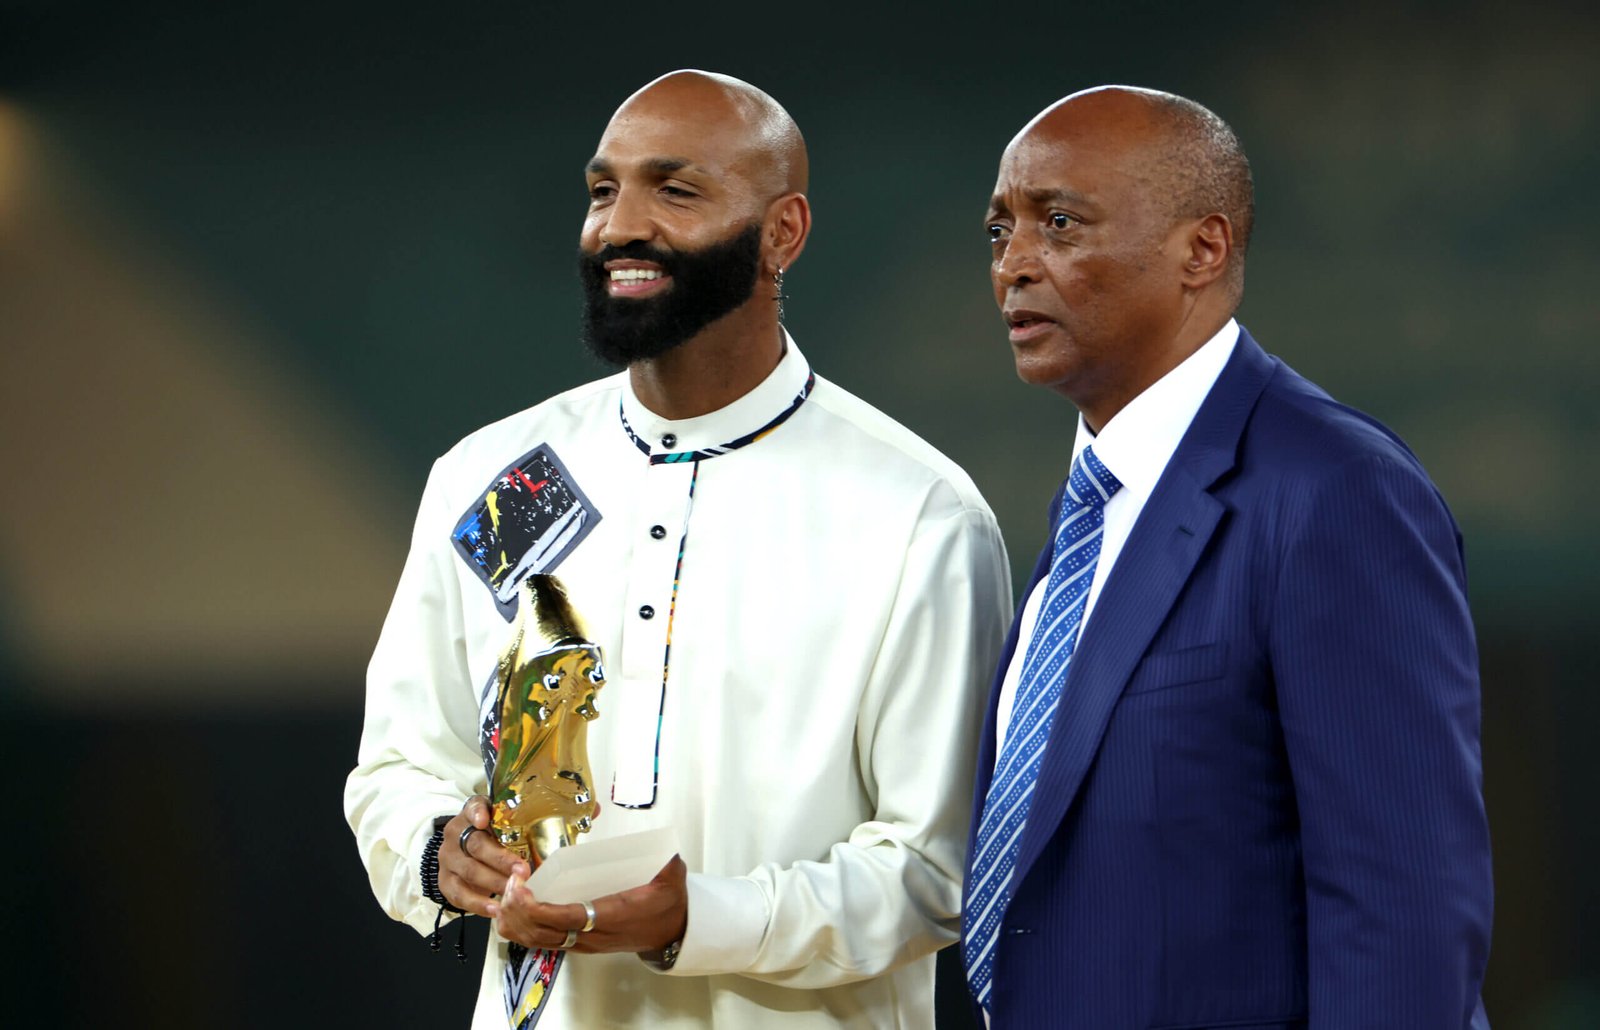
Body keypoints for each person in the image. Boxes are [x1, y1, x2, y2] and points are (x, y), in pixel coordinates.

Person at [345, 69, 1011, 1030]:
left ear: (784, 232)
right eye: (603, 189)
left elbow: (935, 869)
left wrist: (699, 918)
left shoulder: (917, 514)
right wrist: (438, 852)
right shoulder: (495, 478)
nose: (620, 225)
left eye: (677, 189)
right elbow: (399, 767)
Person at [960, 86, 1492, 1028]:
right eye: (1001, 231)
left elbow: (1404, 908)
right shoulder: (1091, 511)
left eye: (1061, 223)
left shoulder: (1334, 491)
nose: (1016, 266)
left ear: (1201, 250)